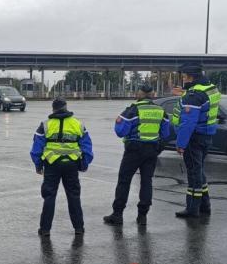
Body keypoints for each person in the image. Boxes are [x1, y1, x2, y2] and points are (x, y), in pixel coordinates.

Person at [103, 84, 170, 226]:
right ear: (152, 94)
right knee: (147, 181)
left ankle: (118, 214)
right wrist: (157, 146)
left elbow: (120, 131)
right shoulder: (161, 111)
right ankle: (142, 216)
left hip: (134, 149)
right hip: (152, 150)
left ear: (139, 94)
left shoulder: (133, 110)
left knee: (124, 181)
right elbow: (166, 134)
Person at [30, 97, 94, 236]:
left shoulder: (45, 125)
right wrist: (84, 163)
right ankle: (79, 228)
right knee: (74, 196)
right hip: (72, 164)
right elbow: (87, 145)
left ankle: (45, 229)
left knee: (49, 196)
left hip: (52, 164)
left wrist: (38, 164)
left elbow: (37, 147)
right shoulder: (77, 124)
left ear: (53, 109)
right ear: (66, 107)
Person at [172, 63, 221, 218]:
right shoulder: (211, 88)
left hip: (194, 138)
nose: (183, 80)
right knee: (199, 172)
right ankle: (205, 205)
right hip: (206, 135)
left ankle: (192, 208)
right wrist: (186, 92)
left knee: (194, 174)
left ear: (191, 77)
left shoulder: (193, 96)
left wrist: (180, 144)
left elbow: (188, 123)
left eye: (184, 77)